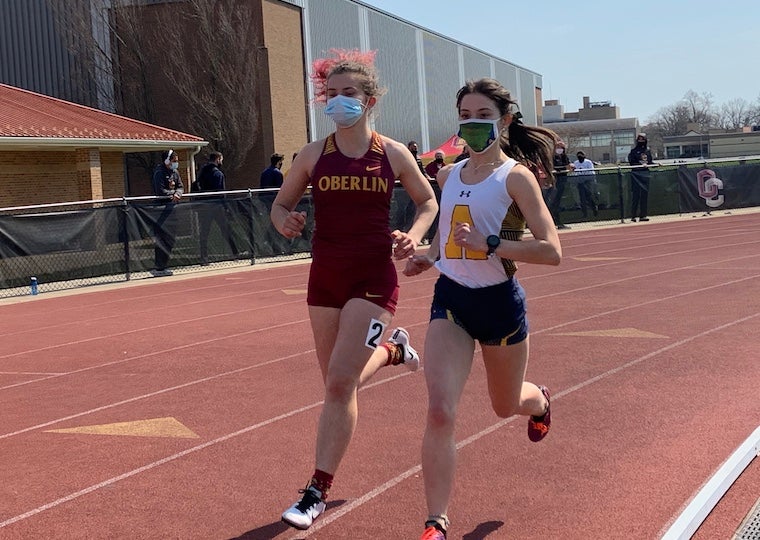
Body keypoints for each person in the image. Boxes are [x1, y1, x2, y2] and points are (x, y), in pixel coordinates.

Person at [271, 48, 438, 531]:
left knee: (341, 383)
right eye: (332, 93)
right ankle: (391, 353)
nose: (340, 100)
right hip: (324, 277)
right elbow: (279, 207)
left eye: (350, 93)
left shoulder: (392, 153)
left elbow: (427, 201)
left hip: (372, 278)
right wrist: (287, 221)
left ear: (369, 100)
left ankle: (315, 490)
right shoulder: (312, 154)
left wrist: (416, 233)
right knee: (335, 386)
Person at [402, 77, 561, 540]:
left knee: (504, 405)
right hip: (451, 299)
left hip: (499, 305)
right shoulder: (448, 175)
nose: (472, 125)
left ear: (505, 120)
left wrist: (493, 243)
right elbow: (447, 235)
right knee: (439, 411)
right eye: (465, 117)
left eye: (482, 117)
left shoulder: (515, 177)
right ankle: (436, 522)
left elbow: (551, 250)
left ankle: (540, 401)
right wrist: (427, 256)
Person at [196, 151, 239, 265]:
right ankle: (235, 253)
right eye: (221, 159)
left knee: (204, 232)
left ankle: (203, 257)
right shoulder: (218, 174)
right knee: (226, 230)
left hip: (204, 205)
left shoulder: (202, 172)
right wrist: (226, 207)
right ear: (218, 159)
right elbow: (221, 192)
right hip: (217, 205)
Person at [151, 149, 183, 277]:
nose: (176, 164)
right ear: (167, 160)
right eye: (174, 161)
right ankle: (159, 267)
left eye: (177, 161)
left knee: (170, 238)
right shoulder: (159, 172)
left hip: (172, 209)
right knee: (162, 238)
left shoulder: (175, 172)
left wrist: (178, 193)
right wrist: (172, 194)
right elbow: (160, 191)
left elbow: (180, 186)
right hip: (161, 210)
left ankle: (165, 265)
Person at [546, 140, 572, 229]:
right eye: (558, 147)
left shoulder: (564, 156)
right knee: (550, 202)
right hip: (553, 183)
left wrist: (570, 168)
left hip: (562, 182)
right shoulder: (551, 157)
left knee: (557, 203)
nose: (560, 149)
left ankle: (558, 223)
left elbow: (568, 166)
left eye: (562, 148)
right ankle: (549, 223)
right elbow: (549, 167)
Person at [628, 133, 654, 222]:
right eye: (639, 139)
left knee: (644, 196)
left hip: (645, 175)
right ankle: (633, 216)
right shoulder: (633, 151)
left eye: (643, 139)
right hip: (636, 175)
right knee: (636, 196)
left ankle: (643, 215)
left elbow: (650, 162)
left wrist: (656, 164)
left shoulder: (647, 151)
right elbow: (631, 162)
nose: (641, 141)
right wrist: (641, 165)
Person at [571, 150, 598, 219]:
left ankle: (594, 209)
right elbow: (574, 172)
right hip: (580, 182)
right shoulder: (576, 163)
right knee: (582, 198)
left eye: (581, 155)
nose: (580, 157)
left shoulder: (588, 162)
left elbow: (591, 171)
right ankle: (584, 213)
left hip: (588, 182)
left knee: (589, 196)